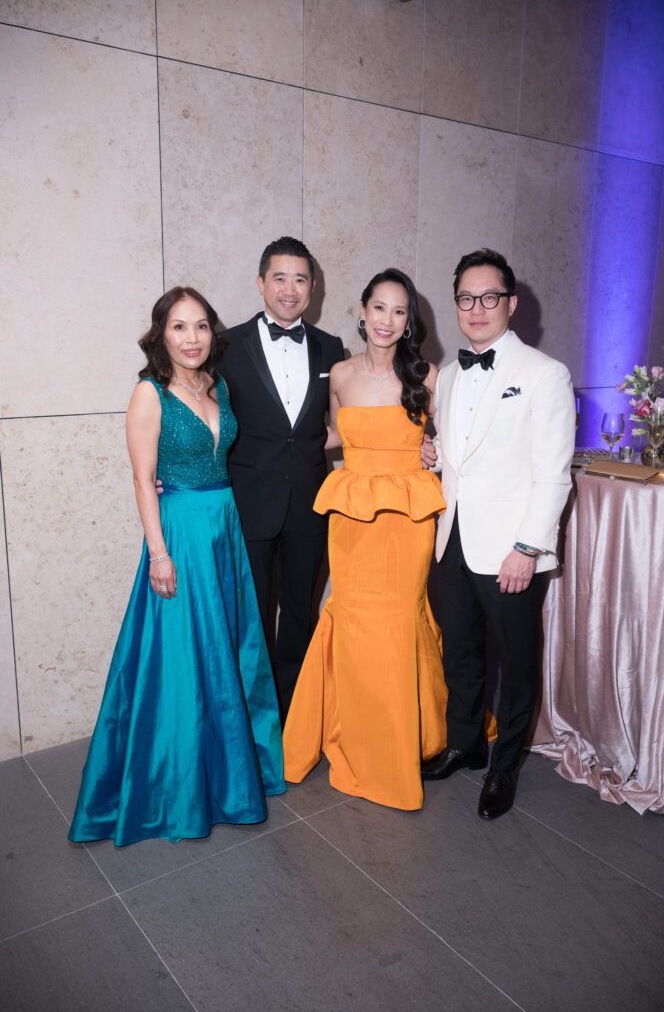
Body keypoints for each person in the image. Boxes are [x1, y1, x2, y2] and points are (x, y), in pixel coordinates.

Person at [69, 287, 285, 847]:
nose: (192, 338)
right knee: (185, 658)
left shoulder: (218, 385)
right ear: (161, 334)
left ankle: (229, 775)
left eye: (201, 326)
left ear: (213, 332)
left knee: (228, 651)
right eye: (179, 327)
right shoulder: (149, 394)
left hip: (224, 526)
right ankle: (179, 789)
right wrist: (159, 553)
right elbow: (143, 479)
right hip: (182, 533)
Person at [282, 269, 449, 811]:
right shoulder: (340, 376)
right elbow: (329, 437)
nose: (387, 320)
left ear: (410, 323)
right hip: (353, 516)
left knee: (399, 621)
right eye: (380, 308)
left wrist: (435, 452)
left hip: (407, 518)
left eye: (400, 312)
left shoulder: (430, 377)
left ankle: (402, 743)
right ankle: (353, 736)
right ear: (361, 310)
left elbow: (455, 446)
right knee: (351, 620)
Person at [421, 248, 575, 820]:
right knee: (459, 650)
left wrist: (528, 548)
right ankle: (465, 743)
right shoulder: (452, 375)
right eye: (466, 298)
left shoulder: (544, 373)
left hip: (511, 549)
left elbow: (552, 474)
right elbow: (460, 457)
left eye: (490, 297)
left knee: (515, 659)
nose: (477, 308)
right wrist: (433, 455)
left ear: (511, 303)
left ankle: (505, 765)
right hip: (452, 540)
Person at [217, 237, 344, 720]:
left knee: (299, 613)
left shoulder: (332, 348)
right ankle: (251, 714)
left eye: (300, 279)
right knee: (250, 615)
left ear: (313, 287)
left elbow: (339, 428)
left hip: (310, 503)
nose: (290, 289)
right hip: (249, 503)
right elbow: (208, 418)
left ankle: (294, 714)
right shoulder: (226, 345)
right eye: (280, 278)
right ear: (260, 283)